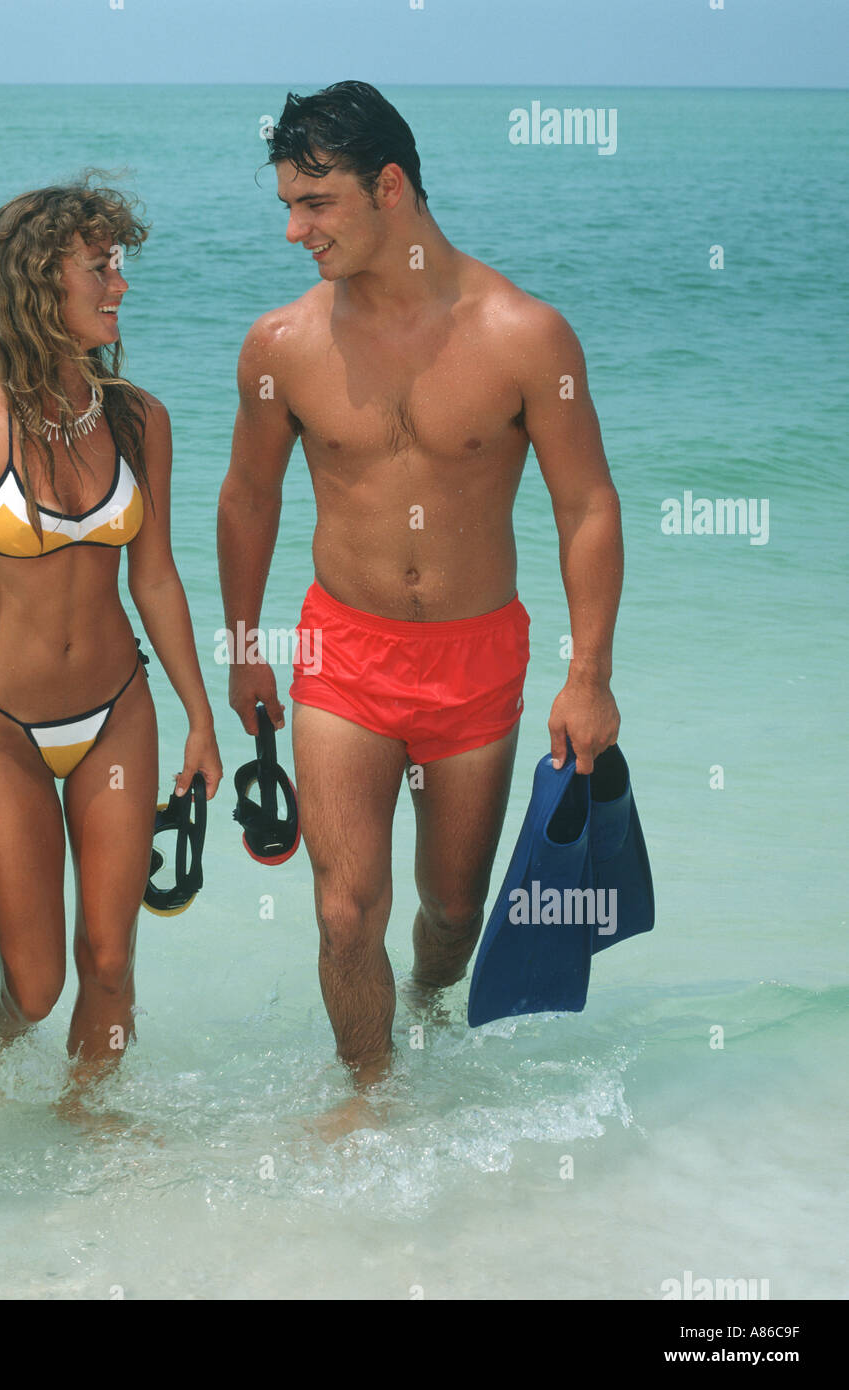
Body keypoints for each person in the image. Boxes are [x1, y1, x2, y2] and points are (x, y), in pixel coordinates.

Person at [218, 82, 623, 1125]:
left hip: (474, 660)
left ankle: (429, 1009)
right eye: (287, 205)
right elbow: (249, 495)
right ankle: (371, 1102)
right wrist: (245, 645)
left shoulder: (526, 335)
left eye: (315, 203)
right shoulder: (280, 344)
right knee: (343, 910)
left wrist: (587, 677)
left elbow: (585, 504)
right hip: (341, 653)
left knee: (449, 913)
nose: (294, 230)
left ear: (388, 187)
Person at [0, 179, 221, 1111]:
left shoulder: (137, 419)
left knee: (109, 960)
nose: (120, 286)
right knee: (34, 988)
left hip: (118, 714)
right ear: (36, 283)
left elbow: (155, 579)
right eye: (99, 268)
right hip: (7, 728)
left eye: (119, 265)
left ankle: (87, 1133)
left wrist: (199, 716)